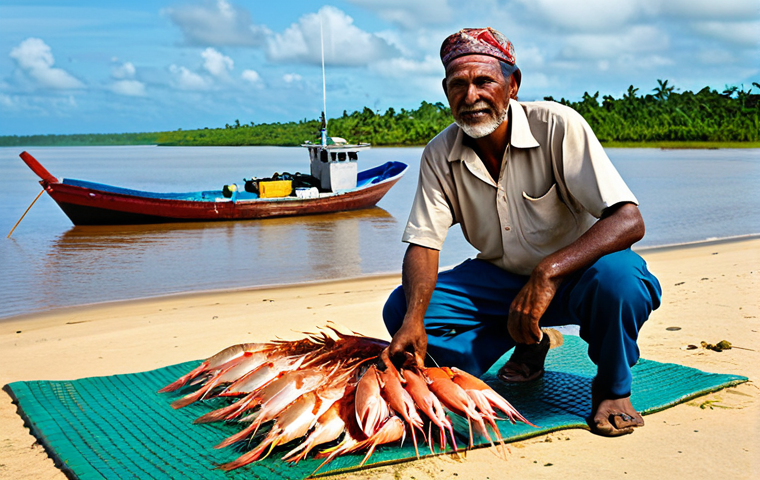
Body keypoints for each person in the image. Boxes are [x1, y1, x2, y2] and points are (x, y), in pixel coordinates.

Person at [381, 27, 662, 437]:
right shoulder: (440, 153)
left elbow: (627, 219)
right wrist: (413, 320)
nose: (470, 95)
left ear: (512, 84)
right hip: (500, 281)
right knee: (404, 309)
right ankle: (529, 342)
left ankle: (613, 387)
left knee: (622, 281)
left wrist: (548, 272)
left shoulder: (557, 125)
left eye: (484, 81)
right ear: (445, 91)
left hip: (579, 275)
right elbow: (424, 241)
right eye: (458, 84)